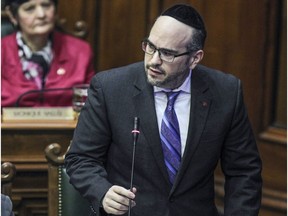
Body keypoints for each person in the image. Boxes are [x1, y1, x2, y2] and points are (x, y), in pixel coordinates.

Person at [65, 4, 262, 216]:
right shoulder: (110, 88)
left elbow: (244, 171)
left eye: (167, 53)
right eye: (150, 46)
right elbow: (80, 159)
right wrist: (103, 192)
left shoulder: (226, 92)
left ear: (195, 58)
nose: (154, 60)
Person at [1, 0, 95, 107]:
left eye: (46, 5)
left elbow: (90, 105)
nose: (41, 15)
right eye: (29, 8)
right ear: (13, 15)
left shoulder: (80, 51)